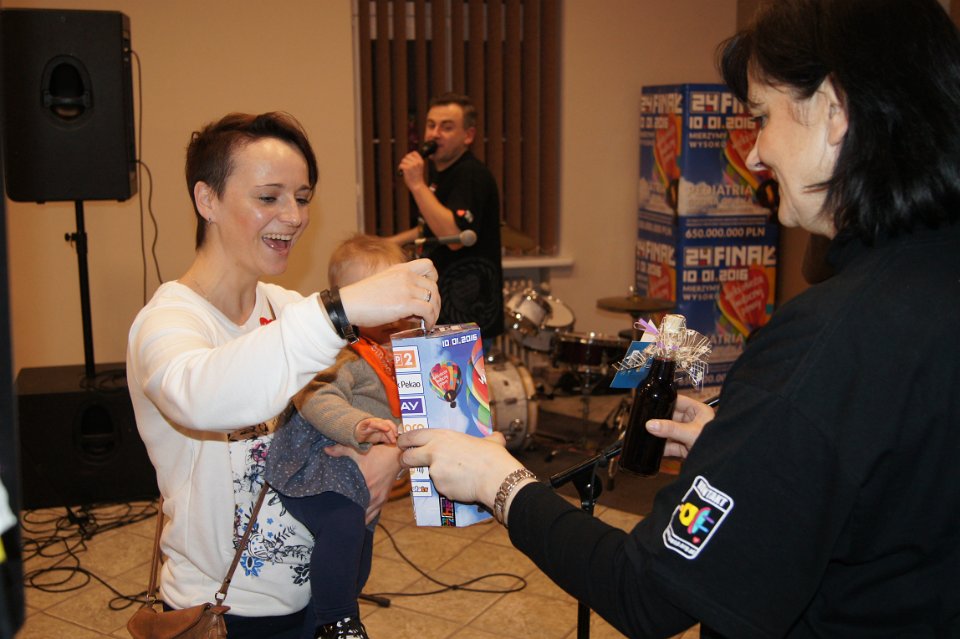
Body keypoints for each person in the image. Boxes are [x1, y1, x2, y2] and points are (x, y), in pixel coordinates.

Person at [397, 1, 960, 637]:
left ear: (835, 111)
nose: (754, 155)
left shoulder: (826, 338)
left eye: (761, 117)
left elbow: (648, 592)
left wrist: (498, 482)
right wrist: (751, 449)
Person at [126, 112, 440, 639]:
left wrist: (388, 455)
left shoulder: (291, 308)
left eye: (302, 197)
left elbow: (370, 402)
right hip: (223, 612)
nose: (293, 216)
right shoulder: (167, 323)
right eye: (269, 197)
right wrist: (340, 311)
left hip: (316, 598)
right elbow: (201, 396)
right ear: (207, 200)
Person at [265, 235, 412, 639]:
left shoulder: (401, 352)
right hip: (322, 463)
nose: (392, 312)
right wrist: (358, 425)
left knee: (358, 559)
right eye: (379, 300)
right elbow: (315, 396)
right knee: (343, 526)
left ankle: (328, 617)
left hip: (360, 474)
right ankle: (338, 622)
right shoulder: (341, 353)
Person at [391, 92, 504, 343]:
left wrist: (417, 186)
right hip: (445, 308)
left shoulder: (471, 175)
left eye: (447, 127)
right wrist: (386, 244)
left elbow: (453, 236)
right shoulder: (441, 174)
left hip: (467, 314)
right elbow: (429, 228)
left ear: (468, 135)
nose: (435, 134)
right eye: (431, 125)